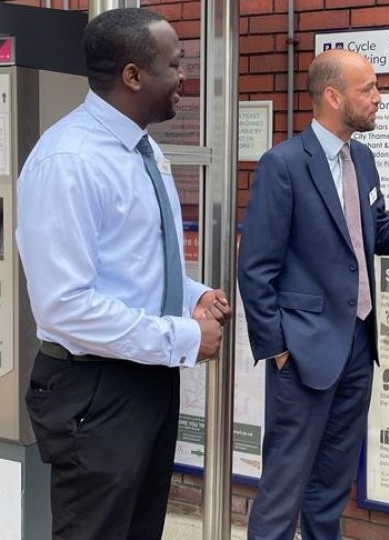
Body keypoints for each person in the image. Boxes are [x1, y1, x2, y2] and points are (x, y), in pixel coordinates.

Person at [237, 49, 389, 540]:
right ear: (332, 96)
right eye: (367, 88)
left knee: (331, 485)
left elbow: (376, 233)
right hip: (303, 353)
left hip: (358, 344)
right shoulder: (282, 165)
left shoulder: (361, 158)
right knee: (285, 486)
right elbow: (255, 269)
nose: (377, 98)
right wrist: (278, 349)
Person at [15, 9, 231, 540]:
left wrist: (192, 296)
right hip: (94, 388)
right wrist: (184, 336)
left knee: (139, 528)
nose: (185, 76)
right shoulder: (69, 160)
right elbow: (65, 305)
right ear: (134, 76)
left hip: (143, 379)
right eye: (176, 64)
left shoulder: (143, 147)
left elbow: (134, 262)